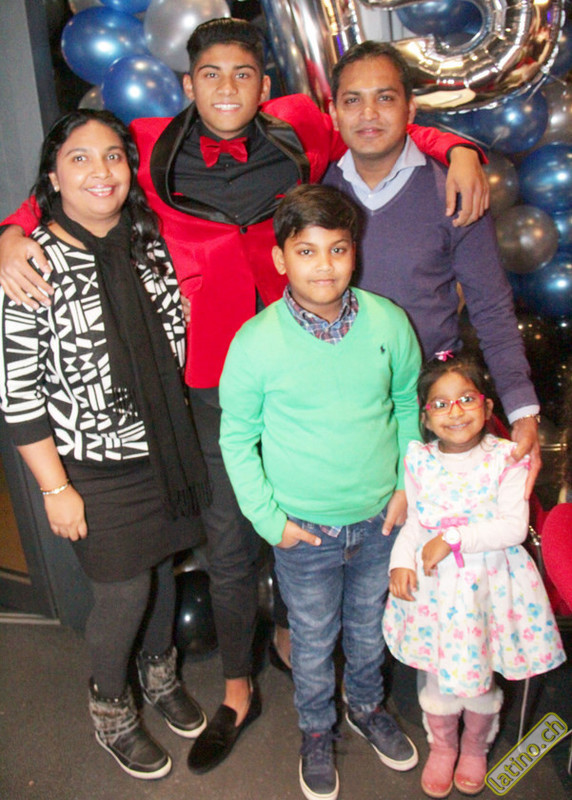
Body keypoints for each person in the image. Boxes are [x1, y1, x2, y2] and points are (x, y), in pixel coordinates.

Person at [0, 18, 490, 773]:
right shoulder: (148, 142)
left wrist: (457, 146)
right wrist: (11, 231)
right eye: (211, 74)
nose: (227, 89)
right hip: (210, 383)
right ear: (187, 83)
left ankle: (325, 668)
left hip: (309, 364)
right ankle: (238, 690)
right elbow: (80, 179)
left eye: (243, 74)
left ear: (265, 85)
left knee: (325, 518)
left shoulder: (299, 126)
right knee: (230, 542)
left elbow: (379, 124)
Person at [0, 110, 212, 780]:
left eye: (114, 156)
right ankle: (110, 707)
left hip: (163, 450)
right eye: (81, 158)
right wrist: (55, 488)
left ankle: (158, 675)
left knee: (162, 574)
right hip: (91, 467)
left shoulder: (146, 244)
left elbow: (175, 340)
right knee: (123, 593)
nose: (101, 171)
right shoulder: (31, 264)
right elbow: (18, 394)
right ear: (52, 177)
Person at [219, 184, 423, 800]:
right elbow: (237, 440)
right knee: (310, 642)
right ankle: (314, 729)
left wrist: (407, 486)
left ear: (354, 252)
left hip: (380, 521)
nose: (325, 266)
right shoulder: (255, 342)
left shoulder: (389, 322)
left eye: (338, 249)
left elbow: (407, 405)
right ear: (280, 258)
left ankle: (365, 705)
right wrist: (270, 522)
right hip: (303, 530)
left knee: (368, 629)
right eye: (306, 251)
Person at [322, 41, 541, 500]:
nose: (368, 114)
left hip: (432, 411)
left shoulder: (453, 191)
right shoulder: (318, 189)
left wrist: (523, 411)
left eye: (385, 98)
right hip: (343, 413)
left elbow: (491, 308)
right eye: (352, 100)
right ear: (333, 110)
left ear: (410, 108)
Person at [383, 356, 565, 799]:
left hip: (489, 587)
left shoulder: (505, 458)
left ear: (486, 406)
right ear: (425, 417)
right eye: (440, 403)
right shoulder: (420, 460)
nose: (455, 411)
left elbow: (512, 527)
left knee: (481, 677)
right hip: (436, 592)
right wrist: (400, 562)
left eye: (466, 399)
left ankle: (474, 746)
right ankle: (443, 745)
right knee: (438, 676)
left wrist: (453, 539)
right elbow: (416, 523)